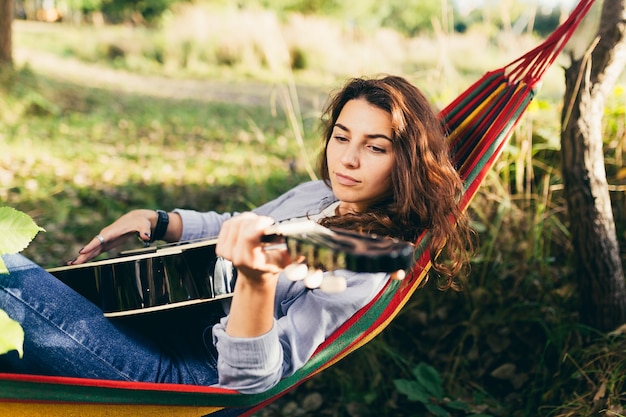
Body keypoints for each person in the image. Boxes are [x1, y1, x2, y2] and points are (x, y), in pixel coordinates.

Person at [0, 75, 472, 394]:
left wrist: (256, 281)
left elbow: (251, 380)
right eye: (342, 136)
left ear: (406, 161)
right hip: (147, 321)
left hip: (174, 378)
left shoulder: (363, 265)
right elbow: (235, 224)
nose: (347, 159)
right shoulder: (316, 194)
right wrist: (162, 221)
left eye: (376, 146)